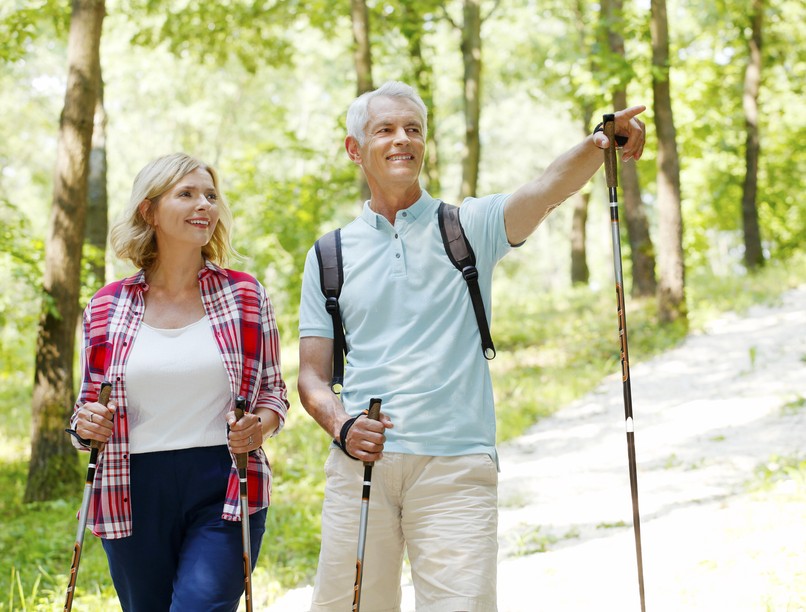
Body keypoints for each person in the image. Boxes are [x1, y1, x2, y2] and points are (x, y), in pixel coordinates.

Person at [297, 81, 646, 611]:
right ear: (354, 149)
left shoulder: (467, 226)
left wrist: (599, 143)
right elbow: (312, 378)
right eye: (385, 129)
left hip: (456, 465)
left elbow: (547, 187)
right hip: (360, 467)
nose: (402, 140)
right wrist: (342, 426)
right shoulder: (329, 254)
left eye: (413, 130)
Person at [68, 152, 289, 611]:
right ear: (149, 211)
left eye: (210, 195)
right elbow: (87, 408)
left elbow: (272, 393)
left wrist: (260, 427)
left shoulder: (245, 295)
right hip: (131, 487)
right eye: (186, 194)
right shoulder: (106, 307)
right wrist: (84, 425)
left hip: (225, 482)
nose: (204, 205)